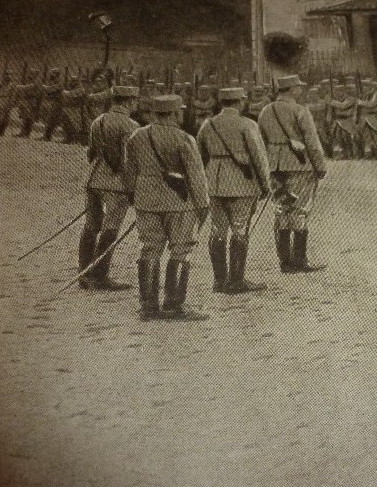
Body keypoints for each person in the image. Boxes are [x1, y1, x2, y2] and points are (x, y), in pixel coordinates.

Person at [124, 95, 210, 321]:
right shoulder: (184, 139)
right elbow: (196, 177)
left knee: (150, 248)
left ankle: (149, 306)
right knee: (181, 250)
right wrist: (202, 205)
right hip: (178, 202)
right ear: (174, 113)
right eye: (180, 111)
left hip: (145, 199)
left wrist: (135, 197)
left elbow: (129, 171)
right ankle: (173, 305)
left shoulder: (137, 136)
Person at [196, 87, 272, 294]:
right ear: (239, 102)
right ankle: (236, 281)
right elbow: (258, 156)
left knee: (217, 230)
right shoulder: (247, 124)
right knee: (240, 229)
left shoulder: (208, 124)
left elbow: (199, 156)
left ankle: (219, 281)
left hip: (213, 182)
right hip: (241, 182)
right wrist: (265, 184)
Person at [257, 74, 327, 273]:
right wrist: (320, 166)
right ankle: (299, 260)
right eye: (298, 87)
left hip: (274, 166)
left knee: (281, 209)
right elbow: (312, 143)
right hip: (299, 164)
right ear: (291, 90)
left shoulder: (265, 111)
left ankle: (284, 262)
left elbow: (260, 141)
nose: (301, 90)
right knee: (300, 210)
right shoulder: (300, 110)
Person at [78, 84, 140, 292]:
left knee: (91, 226)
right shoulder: (130, 125)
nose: (135, 104)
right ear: (129, 101)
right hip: (117, 185)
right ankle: (100, 276)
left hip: (94, 179)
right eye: (135, 101)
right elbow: (128, 162)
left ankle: (84, 273)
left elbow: (90, 153)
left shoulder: (98, 121)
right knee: (110, 229)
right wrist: (132, 189)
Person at [356, 79, 377, 159]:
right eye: (364, 85)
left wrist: (360, 102)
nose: (364, 87)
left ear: (372, 86)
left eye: (366, 85)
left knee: (376, 135)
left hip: (374, 117)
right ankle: (374, 152)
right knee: (368, 136)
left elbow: (372, 104)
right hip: (365, 118)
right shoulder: (365, 95)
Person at [328, 83, 358, 159]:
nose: (337, 93)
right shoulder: (336, 99)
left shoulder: (351, 98)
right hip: (338, 121)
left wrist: (332, 102)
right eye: (336, 91)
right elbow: (332, 111)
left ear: (343, 91)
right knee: (339, 137)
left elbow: (343, 106)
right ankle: (344, 154)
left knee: (347, 137)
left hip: (348, 121)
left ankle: (351, 153)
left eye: (339, 91)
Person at [0, 70, 17, 137]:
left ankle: (2, 132)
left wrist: (11, 103)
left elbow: (13, 95)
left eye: (10, 74)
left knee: (6, 118)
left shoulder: (13, 85)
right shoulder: (1, 84)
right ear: (4, 76)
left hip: (7, 101)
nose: (8, 76)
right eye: (7, 74)